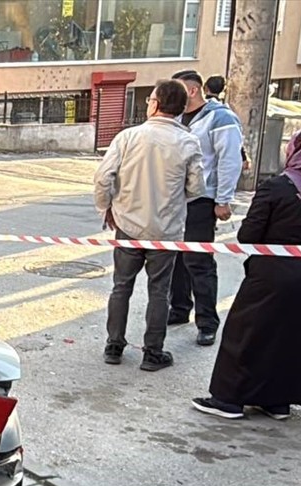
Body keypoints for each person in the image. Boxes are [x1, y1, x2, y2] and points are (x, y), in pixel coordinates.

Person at [192, 125, 301, 420]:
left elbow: (249, 234)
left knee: (247, 334)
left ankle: (229, 399)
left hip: (274, 276)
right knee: (291, 338)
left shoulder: (277, 187)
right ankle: (276, 400)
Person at [93, 80, 204, 372]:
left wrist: (106, 207)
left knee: (121, 286)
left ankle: (114, 345)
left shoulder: (129, 137)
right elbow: (196, 187)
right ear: (180, 108)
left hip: (128, 224)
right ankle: (153, 352)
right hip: (165, 231)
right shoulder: (188, 142)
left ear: (155, 104)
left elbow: (104, 177)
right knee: (159, 291)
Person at [169, 70, 244, 347]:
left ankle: (207, 322)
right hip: (175, 200)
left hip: (203, 199)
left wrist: (223, 199)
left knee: (198, 261)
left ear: (191, 90)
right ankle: (178, 309)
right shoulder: (175, 116)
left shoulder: (220, 117)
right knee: (174, 257)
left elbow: (229, 159)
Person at [203, 75, 251, 173]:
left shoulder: (197, 109)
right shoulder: (226, 112)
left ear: (205, 88)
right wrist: (244, 157)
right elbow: (236, 138)